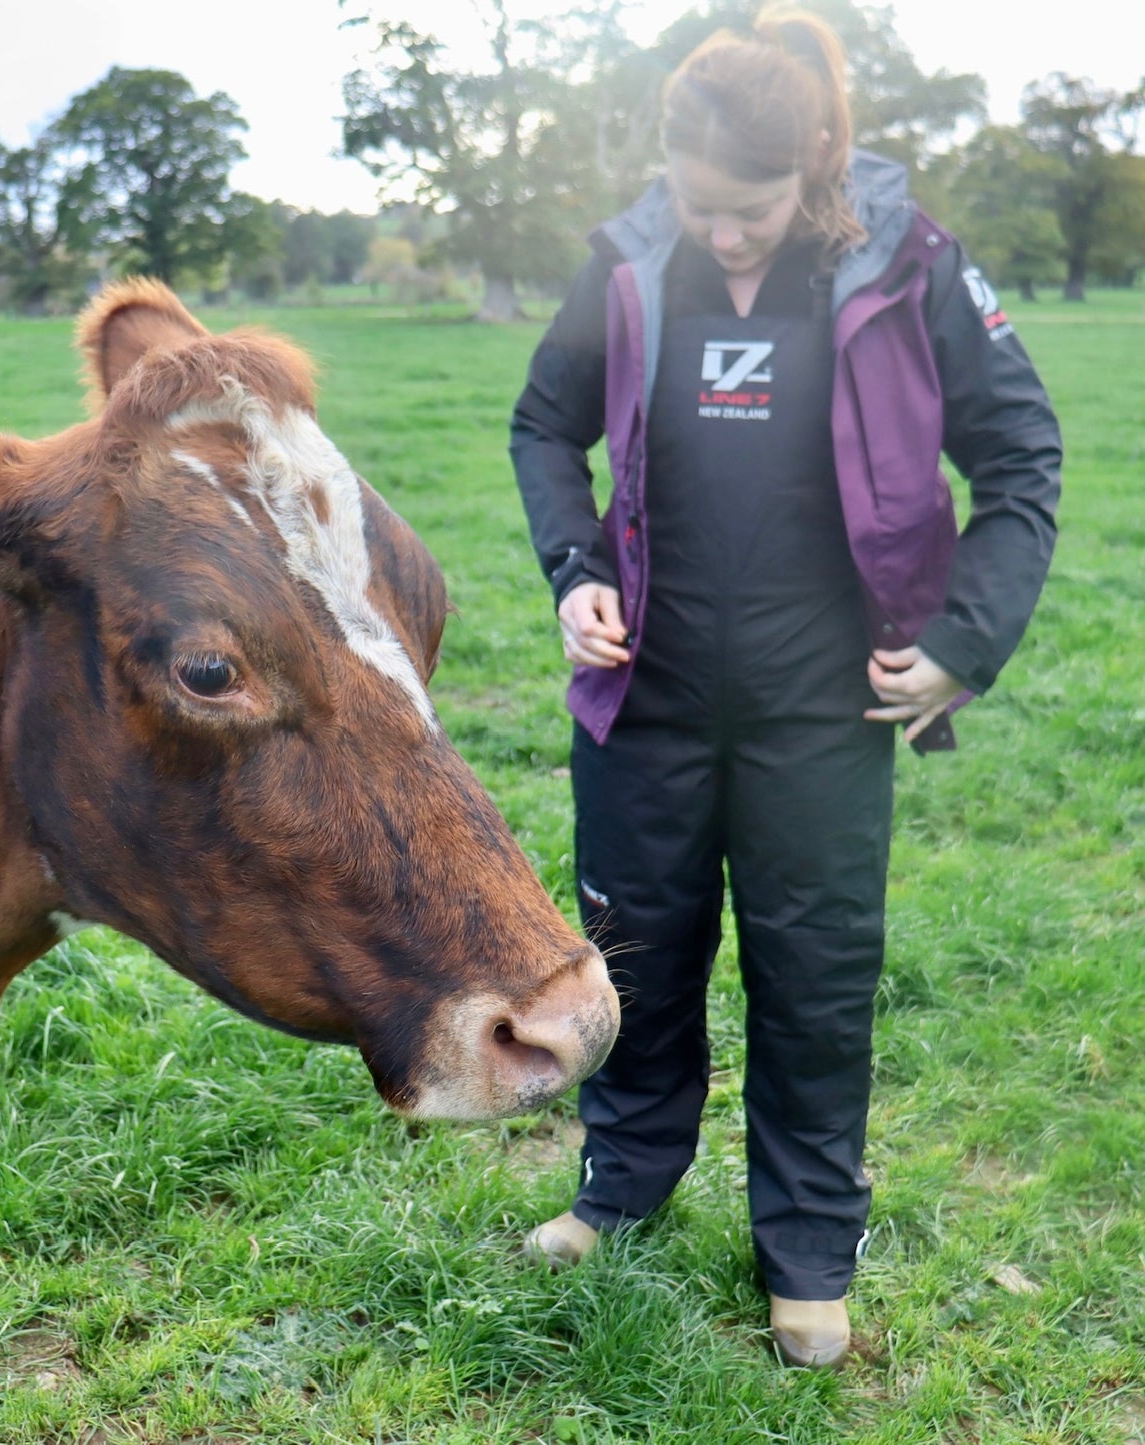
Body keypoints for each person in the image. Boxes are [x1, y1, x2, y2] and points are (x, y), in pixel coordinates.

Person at [508, 7, 1061, 1369]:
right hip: (649, 695)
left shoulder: (908, 261)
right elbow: (542, 423)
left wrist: (960, 641)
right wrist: (574, 566)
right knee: (637, 952)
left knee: (813, 975)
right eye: (701, 206)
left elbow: (1023, 463)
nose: (726, 232)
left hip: (829, 705)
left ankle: (807, 1243)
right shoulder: (632, 260)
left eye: (749, 208)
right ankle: (621, 1185)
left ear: (812, 163)